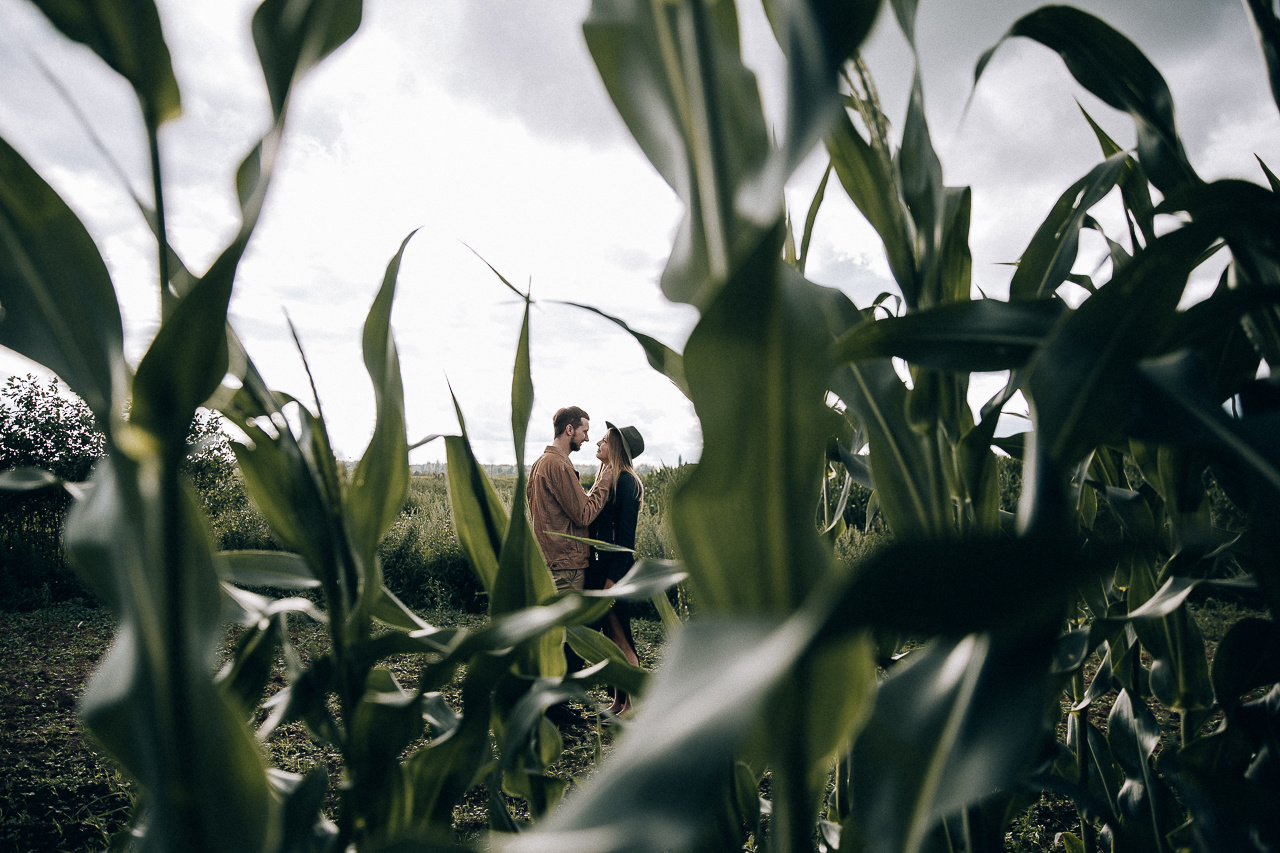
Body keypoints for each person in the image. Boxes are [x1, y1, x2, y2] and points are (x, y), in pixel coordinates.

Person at [587, 422, 645, 717]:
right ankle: (619, 703)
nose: (598, 442)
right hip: (604, 569)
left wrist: (612, 581)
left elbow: (625, 540)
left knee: (622, 639)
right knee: (612, 637)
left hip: (615, 572)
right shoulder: (611, 479)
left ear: (617, 448)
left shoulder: (626, 483)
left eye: (606, 440)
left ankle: (631, 705)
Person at [526, 406, 615, 593]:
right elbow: (584, 514)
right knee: (568, 623)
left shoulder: (540, 463)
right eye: (585, 431)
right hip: (566, 569)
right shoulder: (558, 464)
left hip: (550, 563)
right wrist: (607, 478)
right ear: (569, 429)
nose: (588, 438)